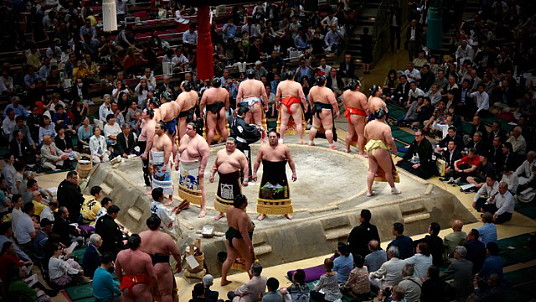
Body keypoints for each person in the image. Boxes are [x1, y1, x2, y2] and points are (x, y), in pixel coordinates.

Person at [253, 130, 297, 220]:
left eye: (274, 137)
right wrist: (254, 172)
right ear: (268, 138)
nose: (272, 139)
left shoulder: (284, 148)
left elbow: (291, 161)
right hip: (267, 174)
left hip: (280, 174)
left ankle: (286, 212)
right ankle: (263, 212)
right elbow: (257, 161)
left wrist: (294, 172)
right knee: (265, 192)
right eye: (270, 137)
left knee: (283, 192)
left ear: (278, 137)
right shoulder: (263, 148)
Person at [140, 215, 182, 302]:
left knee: (147, 292)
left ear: (148, 225)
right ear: (159, 224)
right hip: (161, 267)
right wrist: (179, 263)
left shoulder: (140, 236)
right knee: (166, 293)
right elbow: (176, 253)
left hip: (145, 267)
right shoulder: (165, 237)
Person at [364, 108, 400, 196]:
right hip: (380, 149)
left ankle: (369, 191)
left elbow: (365, 135)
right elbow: (390, 141)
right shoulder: (385, 127)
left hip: (370, 147)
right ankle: (393, 189)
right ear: (384, 116)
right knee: (388, 171)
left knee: (371, 170)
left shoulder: (369, 124)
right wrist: (395, 150)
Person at [210, 138, 249, 220]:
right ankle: (221, 213)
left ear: (235, 145)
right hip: (222, 178)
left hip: (234, 179)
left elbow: (245, 167)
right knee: (221, 196)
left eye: (231, 144)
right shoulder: (220, 152)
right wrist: (212, 174)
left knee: (237, 198)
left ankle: (240, 215)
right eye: (227, 143)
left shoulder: (240, 154)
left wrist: (245, 179)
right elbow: (215, 164)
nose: (229, 145)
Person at [221, 194, 255, 286]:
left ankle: (223, 280)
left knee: (229, 259)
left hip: (230, 234)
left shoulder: (230, 209)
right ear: (243, 204)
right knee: (249, 259)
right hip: (239, 238)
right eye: (246, 202)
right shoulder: (242, 215)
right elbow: (243, 232)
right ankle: (252, 282)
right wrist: (250, 245)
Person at [177, 123, 210, 217]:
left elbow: (206, 155)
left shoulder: (200, 141)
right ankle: (187, 202)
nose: (186, 130)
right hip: (184, 166)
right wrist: (176, 162)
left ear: (195, 130)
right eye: (186, 128)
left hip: (195, 166)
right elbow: (180, 151)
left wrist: (202, 169)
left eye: (189, 129)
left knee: (200, 187)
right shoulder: (184, 137)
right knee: (186, 186)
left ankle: (203, 208)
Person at [115, 234, 157, 302]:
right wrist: (154, 288)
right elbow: (153, 276)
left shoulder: (120, 254)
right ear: (140, 243)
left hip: (126, 286)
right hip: (141, 288)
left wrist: (122, 281)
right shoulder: (145, 257)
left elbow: (117, 270)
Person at [230, 106, 262, 183]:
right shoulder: (242, 122)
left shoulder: (235, 120)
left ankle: (237, 176)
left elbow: (245, 127)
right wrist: (257, 129)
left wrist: (251, 126)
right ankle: (247, 178)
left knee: (237, 159)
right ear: (244, 114)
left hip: (237, 142)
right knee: (246, 160)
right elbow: (248, 131)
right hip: (243, 144)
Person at [307, 76, 340, 149]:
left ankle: (310, 141)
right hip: (326, 110)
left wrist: (312, 106)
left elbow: (310, 98)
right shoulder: (328, 91)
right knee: (328, 128)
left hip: (316, 109)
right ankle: (331, 145)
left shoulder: (312, 89)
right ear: (325, 82)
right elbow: (334, 102)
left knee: (314, 126)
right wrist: (337, 111)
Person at [276, 70, 307, 144]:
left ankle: (281, 139)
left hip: (284, 104)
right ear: (293, 76)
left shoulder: (281, 84)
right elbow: (302, 97)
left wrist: (277, 104)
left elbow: (277, 96)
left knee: (283, 123)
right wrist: (305, 105)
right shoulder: (297, 84)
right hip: (295, 104)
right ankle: (300, 140)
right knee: (298, 123)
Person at [199, 78, 229, 145]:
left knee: (211, 129)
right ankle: (228, 142)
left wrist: (201, 111)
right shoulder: (224, 91)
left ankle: (208, 145)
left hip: (211, 112)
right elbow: (227, 102)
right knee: (223, 128)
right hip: (221, 111)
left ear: (212, 84)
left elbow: (202, 103)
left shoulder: (207, 92)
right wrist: (226, 108)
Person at [342, 79, 369, 155]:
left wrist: (348, 111)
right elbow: (366, 108)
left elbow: (344, 104)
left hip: (349, 113)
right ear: (357, 87)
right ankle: (361, 152)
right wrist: (368, 116)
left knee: (350, 133)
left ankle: (347, 148)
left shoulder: (345, 93)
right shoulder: (361, 96)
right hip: (358, 115)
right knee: (360, 134)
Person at [139, 108, 156, 187]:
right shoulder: (145, 122)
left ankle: (152, 184)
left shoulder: (150, 125)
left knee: (148, 166)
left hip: (147, 147)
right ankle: (148, 183)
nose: (141, 113)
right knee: (145, 167)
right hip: (142, 146)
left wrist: (146, 152)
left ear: (148, 115)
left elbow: (150, 140)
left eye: (143, 112)